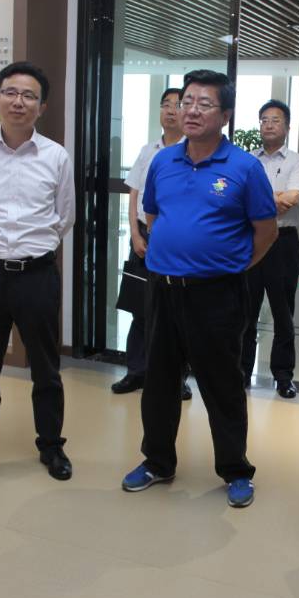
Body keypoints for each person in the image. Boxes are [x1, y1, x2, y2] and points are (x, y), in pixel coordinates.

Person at [121, 70, 278, 509]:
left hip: (217, 294)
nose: (191, 110)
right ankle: (157, 461)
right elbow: (153, 217)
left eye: (204, 104)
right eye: (186, 101)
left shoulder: (244, 168)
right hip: (163, 289)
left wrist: (229, 267)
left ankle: (235, 469)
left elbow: (266, 232)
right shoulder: (163, 162)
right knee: (159, 382)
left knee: (222, 385)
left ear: (225, 115)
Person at [0, 61, 76, 487]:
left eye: (28, 95)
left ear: (42, 106)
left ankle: (51, 445)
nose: (18, 102)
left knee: (46, 368)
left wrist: (30, 249)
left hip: (37, 275)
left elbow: (64, 217)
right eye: (10, 92)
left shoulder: (55, 156)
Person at [111, 87, 192, 401]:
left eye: (177, 104)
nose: (171, 110)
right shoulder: (148, 150)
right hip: (144, 236)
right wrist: (134, 234)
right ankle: (136, 371)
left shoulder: (191, 151)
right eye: (165, 104)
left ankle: (177, 377)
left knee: (177, 311)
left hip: (175, 241)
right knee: (139, 308)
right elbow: (133, 193)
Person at [241, 99, 299, 398]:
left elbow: (292, 199)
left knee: (283, 312)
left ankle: (283, 376)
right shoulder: (246, 160)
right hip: (251, 239)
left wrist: (259, 199)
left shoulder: (298, 161)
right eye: (264, 120)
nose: (269, 125)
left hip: (283, 242)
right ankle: (242, 371)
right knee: (246, 310)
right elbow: (241, 199)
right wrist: (275, 197)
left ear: (287, 126)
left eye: (275, 120)